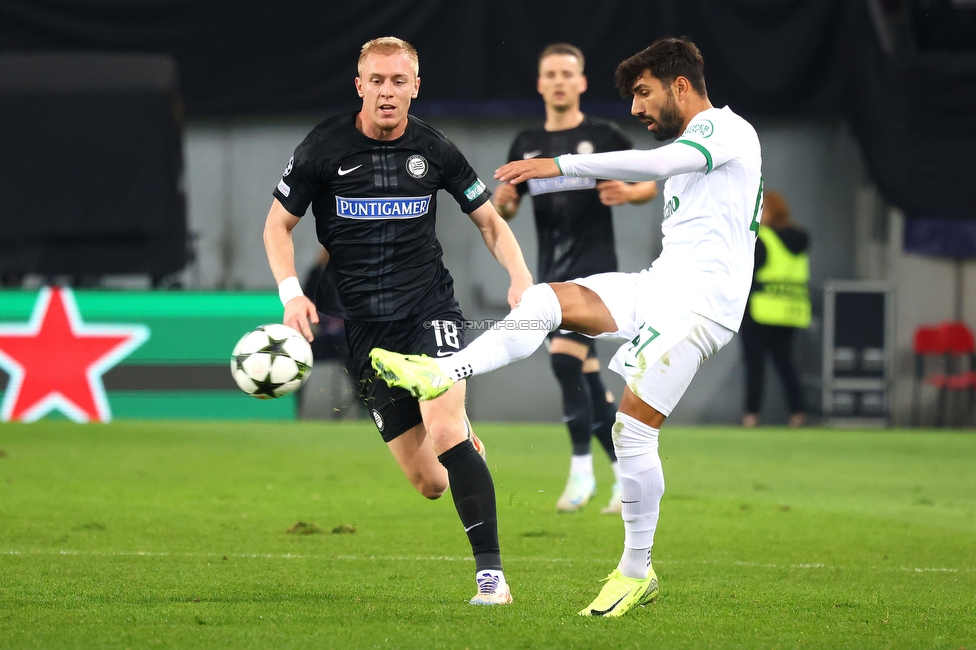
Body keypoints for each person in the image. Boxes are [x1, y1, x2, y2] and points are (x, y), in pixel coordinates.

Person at [370, 36, 763, 617]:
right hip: (660, 286)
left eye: (644, 93)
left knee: (632, 432)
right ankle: (441, 372)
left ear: (682, 86)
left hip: (702, 308)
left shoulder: (727, 131)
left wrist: (563, 164)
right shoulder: (689, 143)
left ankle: (636, 570)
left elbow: (653, 166)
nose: (635, 109)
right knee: (544, 300)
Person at [263, 37, 533, 606]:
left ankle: (492, 579)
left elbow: (489, 221)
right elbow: (275, 228)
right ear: (360, 86)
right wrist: (291, 295)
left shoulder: (434, 150)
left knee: (445, 430)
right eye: (377, 81)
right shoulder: (322, 149)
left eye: (398, 81)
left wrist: (520, 277)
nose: (388, 91)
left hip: (429, 312)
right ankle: (465, 452)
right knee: (431, 482)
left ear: (415, 86)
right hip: (367, 332)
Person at [494, 43, 658, 514]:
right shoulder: (526, 142)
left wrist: (627, 193)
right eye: (551, 74)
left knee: (565, 362)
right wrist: (504, 202)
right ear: (541, 83)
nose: (560, 81)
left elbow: (647, 181)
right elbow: (507, 205)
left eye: (569, 73)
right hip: (551, 272)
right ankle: (624, 479)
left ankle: (581, 473)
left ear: (582, 82)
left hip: (597, 272)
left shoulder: (603, 135)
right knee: (586, 382)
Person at [740, 190, 810, 428]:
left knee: (755, 365)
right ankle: (798, 413)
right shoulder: (799, 241)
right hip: (789, 312)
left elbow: (747, 272)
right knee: (786, 364)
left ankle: (751, 415)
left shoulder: (763, 239)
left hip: (759, 310)